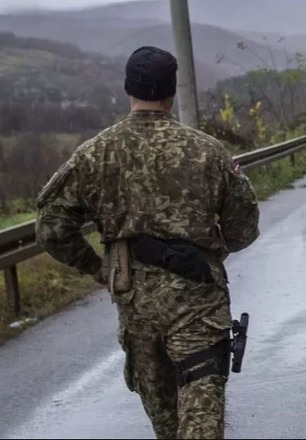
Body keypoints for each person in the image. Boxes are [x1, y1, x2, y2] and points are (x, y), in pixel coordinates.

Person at [35, 46, 260, 439]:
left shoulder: (94, 154)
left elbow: (51, 227)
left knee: (167, 424)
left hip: (136, 304)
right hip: (198, 302)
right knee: (201, 417)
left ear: (128, 90)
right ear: (171, 92)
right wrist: (215, 248)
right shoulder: (207, 151)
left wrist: (94, 267)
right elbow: (244, 227)